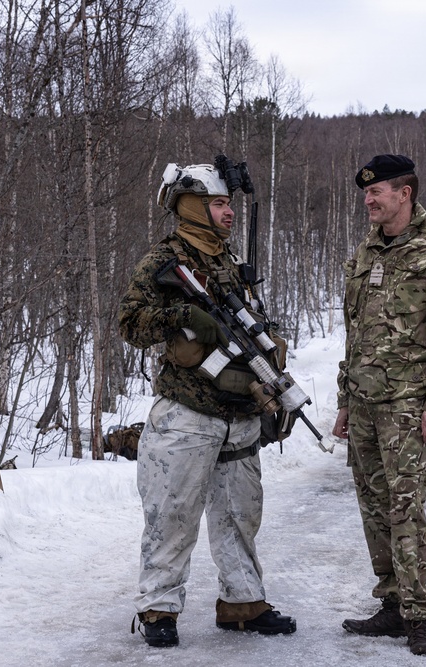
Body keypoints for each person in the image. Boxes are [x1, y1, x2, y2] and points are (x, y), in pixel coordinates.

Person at [118, 159, 295, 648]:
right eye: (219, 203)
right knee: (172, 514)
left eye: (229, 203)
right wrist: (182, 316)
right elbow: (129, 323)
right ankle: (159, 608)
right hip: (188, 412)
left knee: (240, 514)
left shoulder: (227, 260)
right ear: (193, 206)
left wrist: (273, 388)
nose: (228, 212)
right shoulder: (164, 259)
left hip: (239, 411)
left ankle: (243, 603)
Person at [331, 154, 426, 656]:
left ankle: (418, 616)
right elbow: (355, 334)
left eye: (377, 192)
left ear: (405, 193)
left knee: (405, 509)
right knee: (373, 508)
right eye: (366, 194)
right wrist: (345, 400)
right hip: (366, 405)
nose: (368, 200)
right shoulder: (365, 252)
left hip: (409, 407)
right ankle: (391, 605)